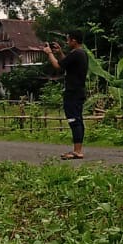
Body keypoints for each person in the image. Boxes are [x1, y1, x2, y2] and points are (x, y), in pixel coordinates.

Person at [45, 31, 90, 160]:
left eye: (68, 40)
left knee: (74, 120)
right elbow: (66, 64)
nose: (66, 42)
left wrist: (49, 53)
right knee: (78, 120)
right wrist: (59, 53)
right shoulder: (81, 54)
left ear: (74, 41)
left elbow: (58, 66)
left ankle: (77, 151)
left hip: (73, 92)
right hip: (79, 91)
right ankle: (78, 149)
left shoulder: (76, 54)